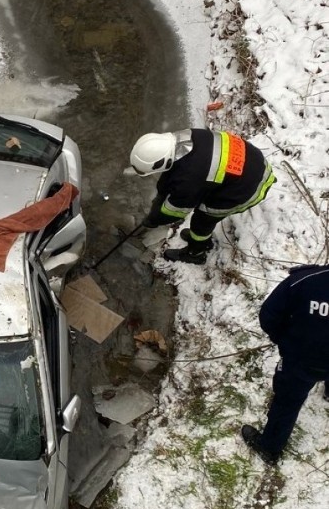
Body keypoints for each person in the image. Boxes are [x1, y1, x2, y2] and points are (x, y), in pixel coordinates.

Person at [129, 127, 276, 264]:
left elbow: (175, 211)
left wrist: (155, 218)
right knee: (202, 200)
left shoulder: (189, 176)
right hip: (254, 164)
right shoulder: (184, 138)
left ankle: (196, 252)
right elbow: (171, 174)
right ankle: (199, 240)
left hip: (250, 187)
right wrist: (161, 194)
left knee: (203, 218)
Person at [240, 264, 329, 464]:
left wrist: (285, 341)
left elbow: (268, 316)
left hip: (300, 361)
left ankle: (269, 448)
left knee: (287, 402)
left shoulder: (303, 280)